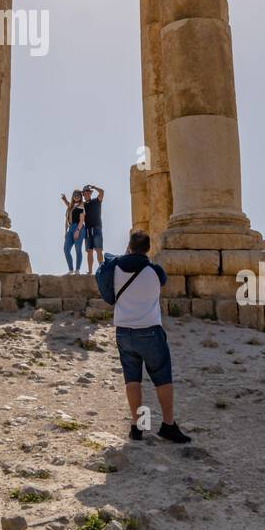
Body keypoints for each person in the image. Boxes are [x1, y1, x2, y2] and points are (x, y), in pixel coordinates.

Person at [112, 230, 191, 444]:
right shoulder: (155, 272)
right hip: (149, 330)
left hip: (124, 331)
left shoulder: (115, 268)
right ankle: (167, 425)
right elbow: (161, 280)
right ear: (148, 249)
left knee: (133, 380)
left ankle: (138, 427)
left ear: (129, 246)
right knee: (162, 378)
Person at [60, 189, 86, 272]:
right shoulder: (71, 206)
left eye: (78, 195)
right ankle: (71, 270)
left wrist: (78, 230)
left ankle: (77, 269)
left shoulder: (82, 205)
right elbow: (69, 205)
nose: (76, 196)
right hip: (70, 229)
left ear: (81, 196)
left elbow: (82, 220)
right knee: (66, 249)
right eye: (75, 195)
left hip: (78, 227)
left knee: (78, 249)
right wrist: (64, 200)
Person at [82, 183, 105, 272]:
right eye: (85, 193)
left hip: (97, 228)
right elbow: (72, 207)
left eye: (88, 192)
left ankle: (101, 270)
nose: (86, 194)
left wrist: (94, 187)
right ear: (83, 195)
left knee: (99, 250)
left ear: (90, 193)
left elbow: (102, 192)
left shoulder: (96, 201)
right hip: (87, 230)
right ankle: (90, 271)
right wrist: (65, 201)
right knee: (89, 251)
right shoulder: (82, 205)